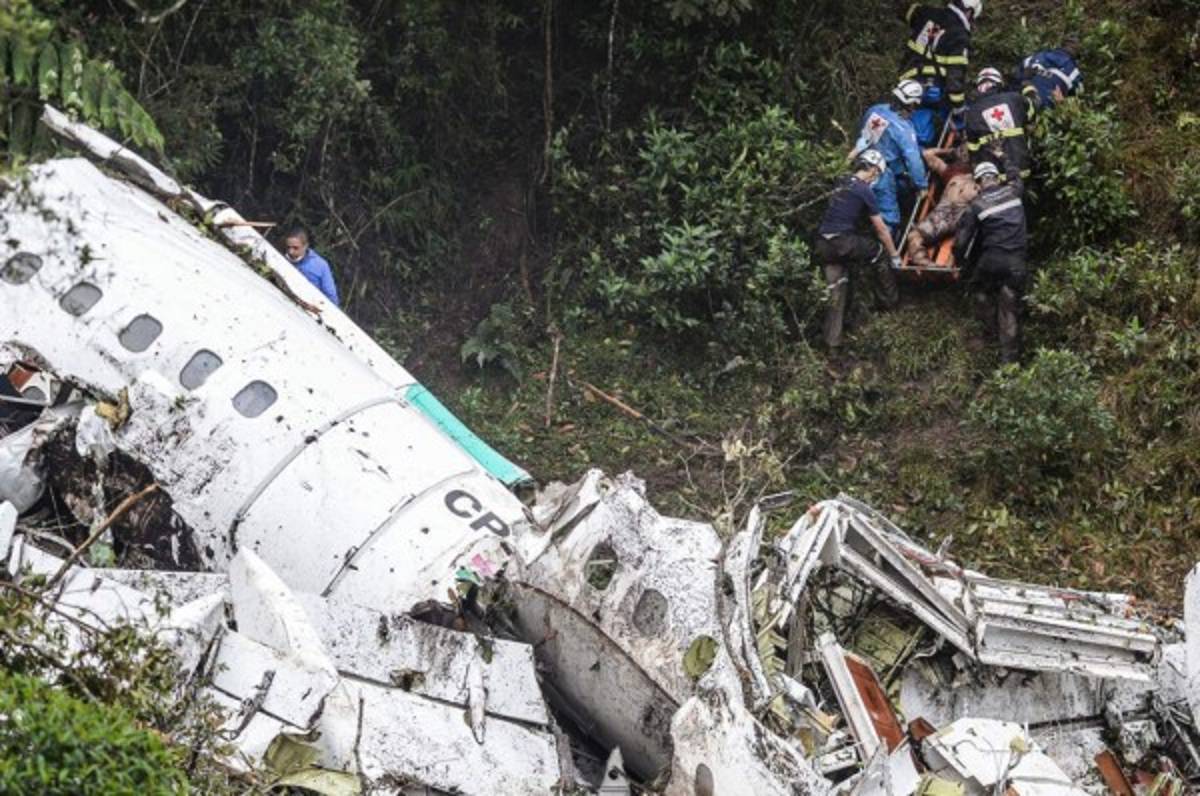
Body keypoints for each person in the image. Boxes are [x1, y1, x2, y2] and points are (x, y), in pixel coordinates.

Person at [816, 149, 902, 352]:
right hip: (842, 242)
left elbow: (843, 163)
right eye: (877, 173)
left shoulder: (840, 179)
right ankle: (890, 303)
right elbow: (881, 229)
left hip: (822, 244)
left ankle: (832, 344)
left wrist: (854, 149)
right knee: (879, 252)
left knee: (837, 287)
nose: (875, 177)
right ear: (872, 169)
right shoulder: (864, 190)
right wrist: (894, 255)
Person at [953, 158, 1027, 362]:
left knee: (979, 289)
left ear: (977, 184)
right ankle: (1009, 362)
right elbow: (1015, 175)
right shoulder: (1014, 191)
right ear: (997, 178)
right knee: (1009, 306)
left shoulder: (976, 205)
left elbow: (961, 243)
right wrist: (1003, 156)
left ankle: (989, 331)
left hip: (991, 262)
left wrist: (961, 263)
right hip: (1016, 263)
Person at [850, 80, 929, 236]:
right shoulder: (903, 128)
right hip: (882, 174)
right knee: (889, 218)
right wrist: (921, 185)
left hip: (860, 165)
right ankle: (886, 251)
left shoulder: (875, 110)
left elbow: (864, 136)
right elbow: (913, 162)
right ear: (912, 104)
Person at [899, 0, 982, 146]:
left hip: (906, 79)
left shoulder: (926, 13)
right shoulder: (960, 35)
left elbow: (904, 9)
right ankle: (928, 153)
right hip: (931, 89)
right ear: (969, 12)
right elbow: (955, 81)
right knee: (950, 116)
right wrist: (959, 109)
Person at [905, 144, 978, 268]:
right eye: (961, 150)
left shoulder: (981, 171)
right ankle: (928, 264)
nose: (964, 153)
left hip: (964, 214)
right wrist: (949, 151)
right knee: (914, 236)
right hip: (942, 213)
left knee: (965, 237)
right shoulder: (949, 170)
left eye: (968, 151)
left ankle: (957, 265)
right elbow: (927, 154)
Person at [964, 67, 1037, 179]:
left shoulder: (972, 112)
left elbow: (973, 150)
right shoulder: (1014, 99)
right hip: (1022, 167)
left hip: (995, 175)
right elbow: (1034, 106)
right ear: (999, 83)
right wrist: (1027, 87)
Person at [1015, 35, 1084, 110]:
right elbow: (1076, 100)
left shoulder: (1037, 56)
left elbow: (1016, 74)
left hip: (1013, 99)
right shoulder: (1075, 73)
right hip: (1041, 108)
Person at [283, 227, 340, 306]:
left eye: (295, 248)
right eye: (288, 247)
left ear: (305, 246)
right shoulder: (279, 258)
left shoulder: (320, 265)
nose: (290, 252)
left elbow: (331, 296)